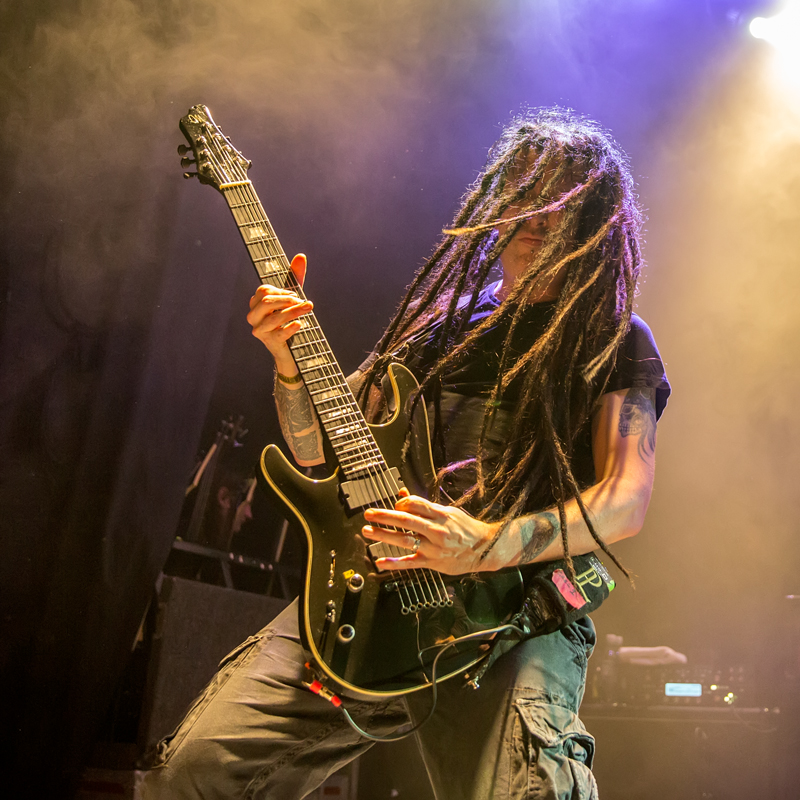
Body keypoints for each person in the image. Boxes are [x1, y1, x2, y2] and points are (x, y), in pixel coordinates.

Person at [141, 107, 670, 799]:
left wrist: (482, 546)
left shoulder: (614, 338)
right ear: (494, 208)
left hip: (512, 620)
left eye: (559, 202)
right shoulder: (437, 323)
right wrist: (288, 364)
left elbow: (626, 499)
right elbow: (315, 448)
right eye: (522, 194)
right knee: (193, 771)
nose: (535, 216)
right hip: (369, 595)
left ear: (593, 223)